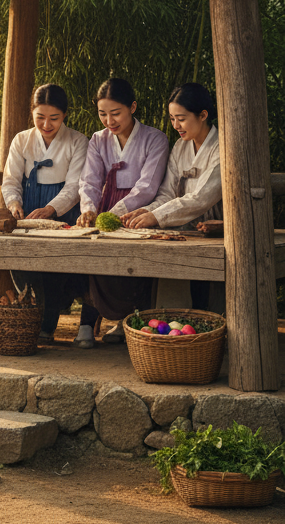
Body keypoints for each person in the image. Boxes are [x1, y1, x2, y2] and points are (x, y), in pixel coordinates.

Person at [75, 77, 170, 347]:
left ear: (133, 107)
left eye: (115, 113)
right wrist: (89, 209)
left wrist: (117, 213)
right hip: (104, 208)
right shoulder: (98, 140)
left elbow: (148, 186)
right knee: (95, 261)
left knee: (134, 266)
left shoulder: (155, 138)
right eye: (102, 114)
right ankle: (86, 322)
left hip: (137, 212)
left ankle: (127, 322)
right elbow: (90, 181)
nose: (109, 121)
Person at [124, 82, 222, 310]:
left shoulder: (222, 147)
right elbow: (167, 192)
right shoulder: (180, 146)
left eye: (181, 119)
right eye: (172, 119)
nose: (176, 125)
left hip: (217, 231)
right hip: (183, 229)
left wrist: (157, 216)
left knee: (210, 301)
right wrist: (148, 211)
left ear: (203, 115)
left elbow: (201, 198)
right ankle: (168, 321)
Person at [2, 83, 88, 341]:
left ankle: (46, 326)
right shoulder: (22, 140)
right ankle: (35, 321)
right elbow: (11, 180)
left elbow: (74, 186)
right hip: (28, 212)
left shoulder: (78, 141)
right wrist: (14, 203)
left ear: (65, 115)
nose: (46, 124)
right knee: (23, 265)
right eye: (40, 117)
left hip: (63, 211)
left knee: (54, 270)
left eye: (54, 118)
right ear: (32, 112)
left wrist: (51, 209)